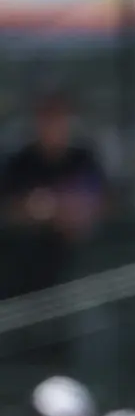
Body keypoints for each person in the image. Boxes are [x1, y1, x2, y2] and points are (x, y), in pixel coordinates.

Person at [0, 91, 107, 297]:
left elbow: (106, 200)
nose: (52, 126)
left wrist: (77, 209)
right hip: (26, 265)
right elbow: (8, 209)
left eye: (58, 119)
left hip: (81, 264)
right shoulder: (20, 162)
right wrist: (32, 209)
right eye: (46, 119)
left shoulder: (83, 158)